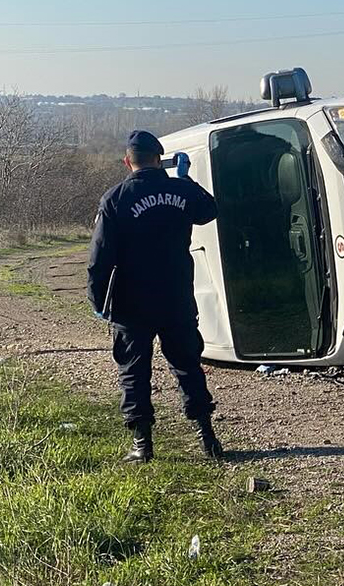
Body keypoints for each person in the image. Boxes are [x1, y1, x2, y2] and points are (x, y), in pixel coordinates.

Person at [88, 130, 224, 462]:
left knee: (134, 369)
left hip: (131, 301)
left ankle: (142, 445)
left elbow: (100, 256)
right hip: (176, 295)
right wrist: (184, 180)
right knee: (187, 364)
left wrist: (97, 299)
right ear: (158, 159)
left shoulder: (116, 198)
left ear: (127, 161)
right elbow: (209, 210)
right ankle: (207, 438)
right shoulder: (179, 189)